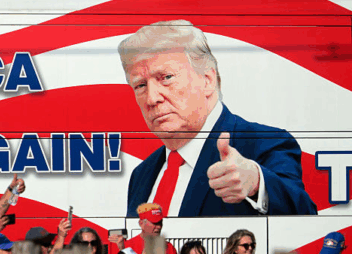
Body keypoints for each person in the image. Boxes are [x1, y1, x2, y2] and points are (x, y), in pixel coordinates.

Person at [119, 19, 316, 217]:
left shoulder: (264, 144)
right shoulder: (142, 174)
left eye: (166, 77)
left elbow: (305, 219)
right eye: (140, 86)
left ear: (208, 80)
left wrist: (257, 183)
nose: (152, 98)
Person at [109, 203, 178, 254]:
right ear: (141, 223)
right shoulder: (127, 247)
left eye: (160, 222)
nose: (159, 227)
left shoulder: (169, 248)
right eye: (154, 223)